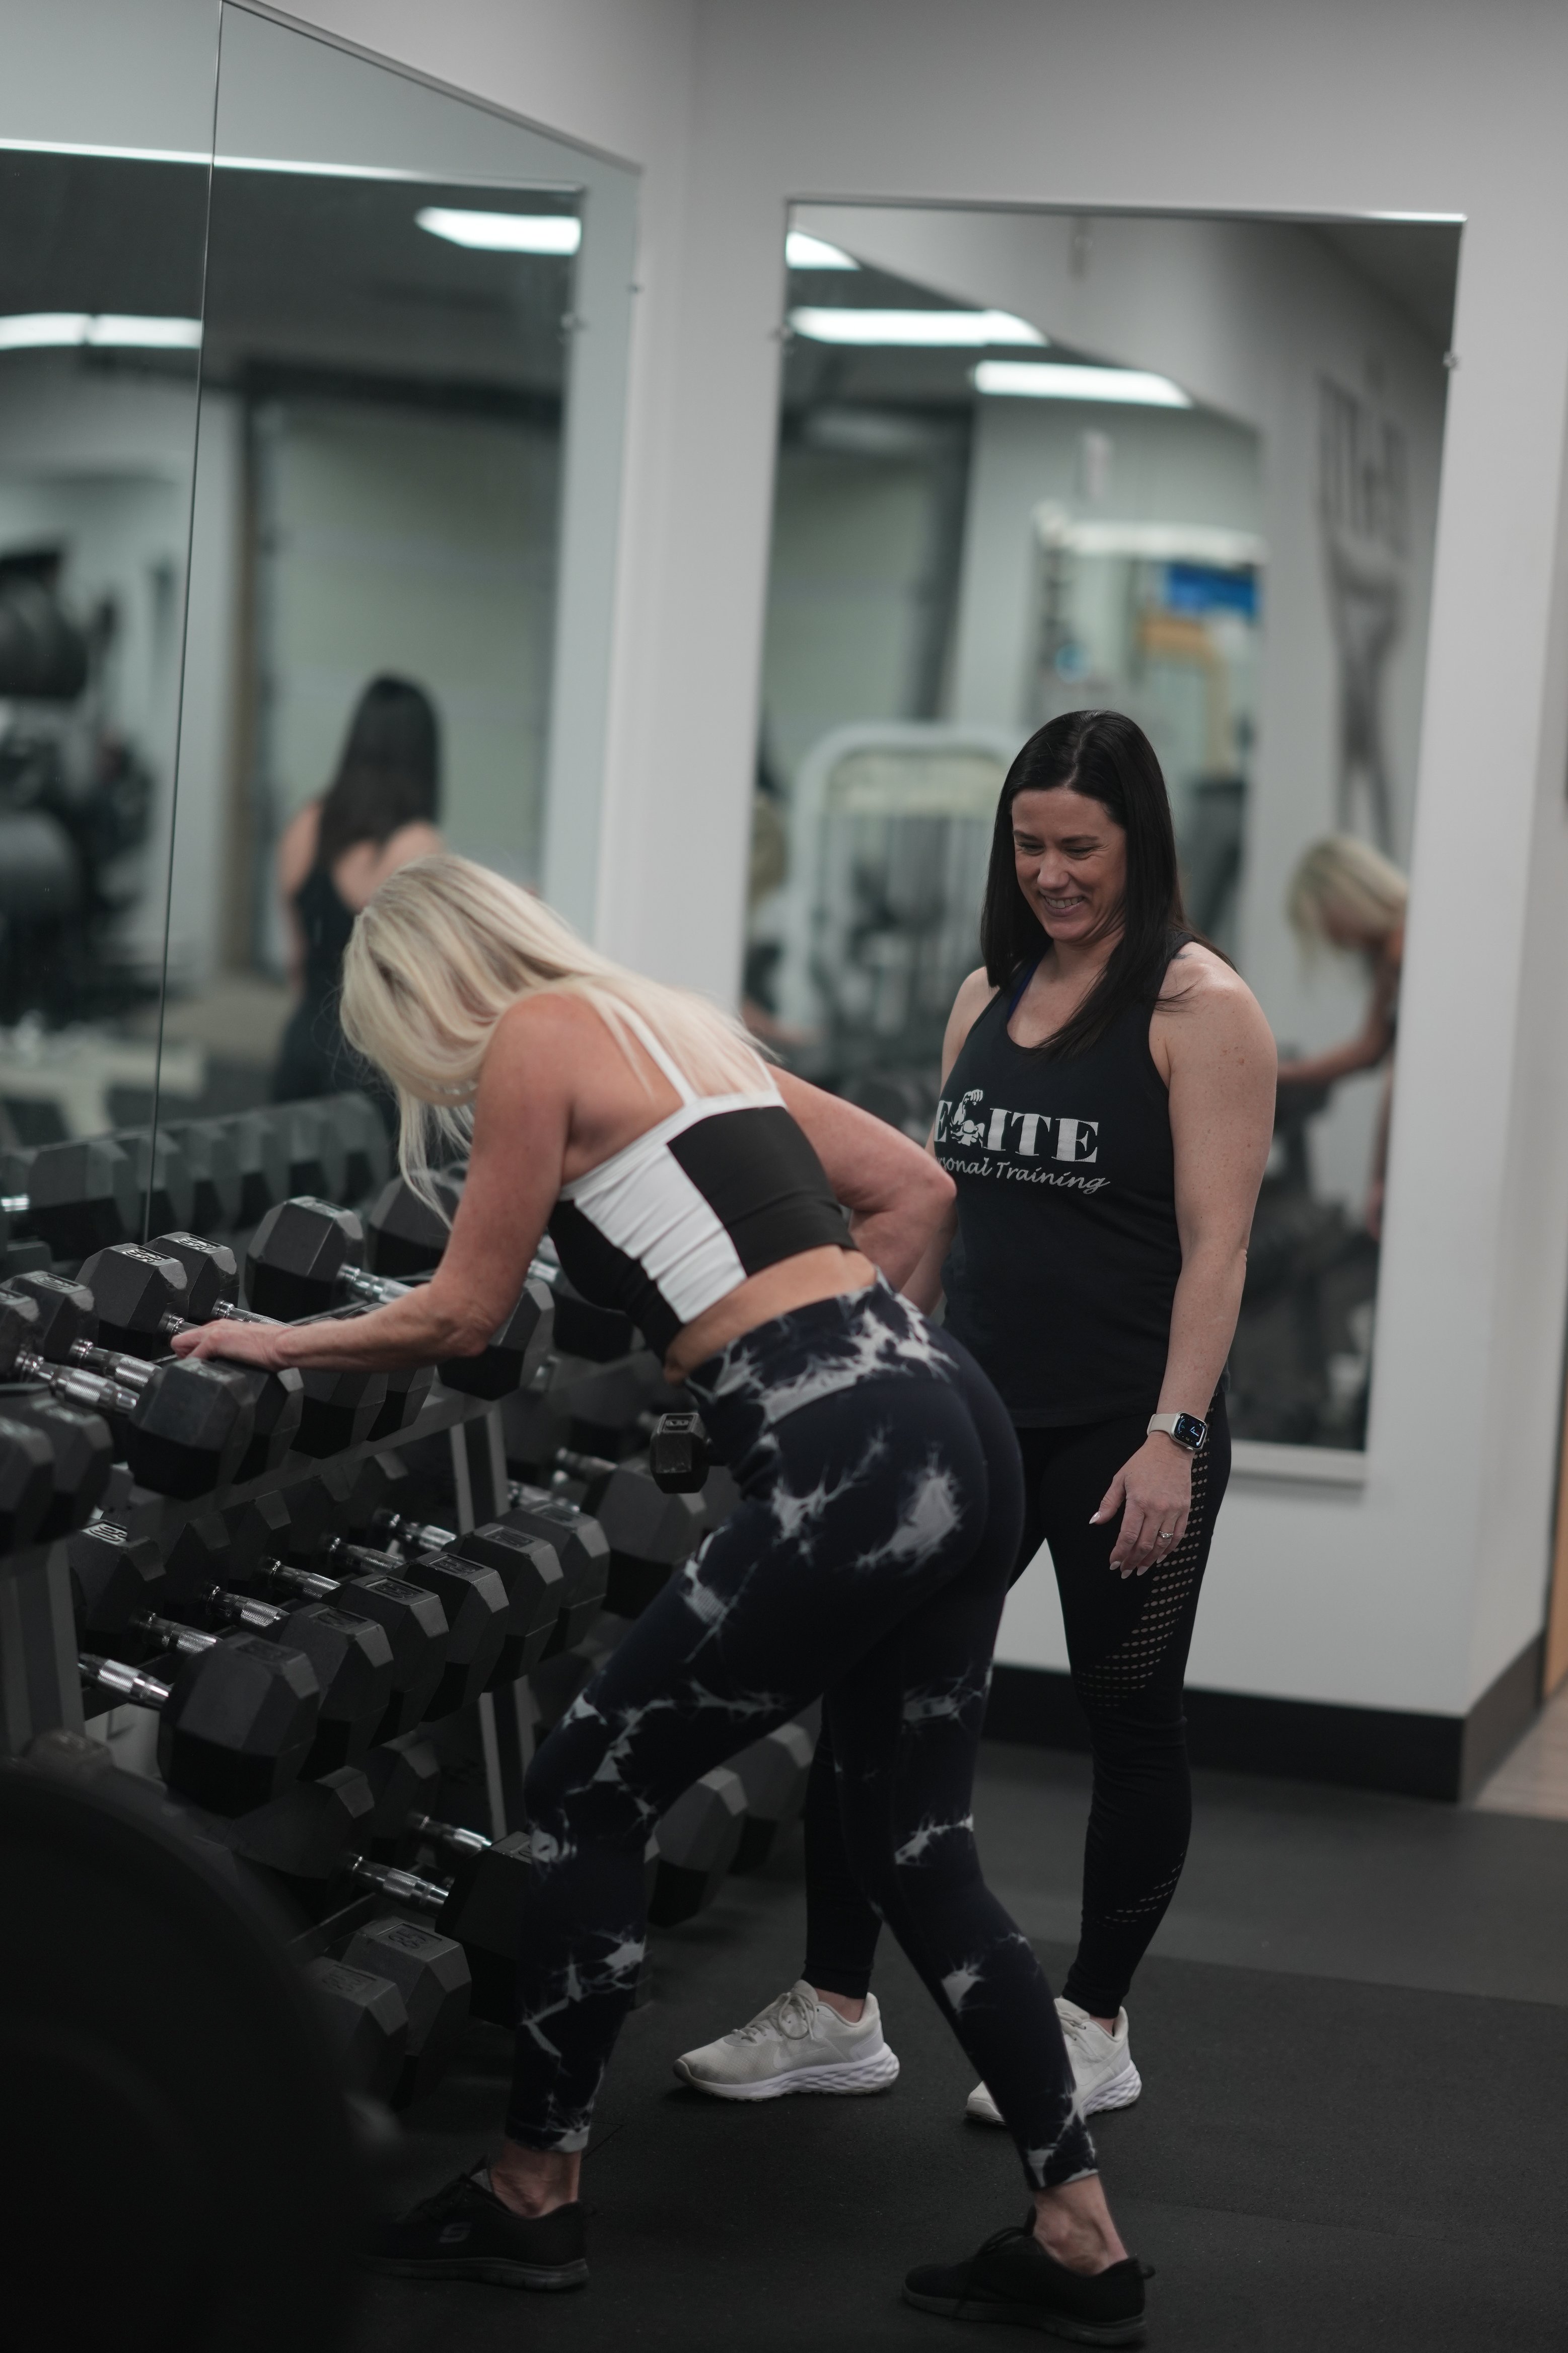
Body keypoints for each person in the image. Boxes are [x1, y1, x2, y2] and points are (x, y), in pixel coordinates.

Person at [175, 853, 1151, 2338]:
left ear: (426, 990)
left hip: (867, 1454)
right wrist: (834, 1381)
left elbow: (465, 1308)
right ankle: (1079, 2232)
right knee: (919, 1845)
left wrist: (275, 1342)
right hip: (957, 1414)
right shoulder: (674, 1020)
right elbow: (917, 1188)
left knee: (582, 1792)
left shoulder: (530, 1042)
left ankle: (529, 2194)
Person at [678, 707, 1274, 2135]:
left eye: (1082, 846)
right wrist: (878, 1378)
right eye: (1030, 845)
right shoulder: (983, 998)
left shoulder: (1202, 1012)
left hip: (1119, 1435)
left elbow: (1219, 1249)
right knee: (870, 1691)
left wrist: (1173, 1442)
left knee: (1128, 1719)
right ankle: (834, 2007)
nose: (1054, 872)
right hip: (972, 1421)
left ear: (1140, 844)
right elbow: (943, 1220)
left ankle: (1096, 2023)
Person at [271, 675, 443, 1104]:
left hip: (301, 1055)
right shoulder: (419, 847)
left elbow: (296, 960)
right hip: (376, 1071)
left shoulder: (305, 825)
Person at [1275, 834, 1407, 1239]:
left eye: (1324, 923)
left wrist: (1381, 1178)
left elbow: (1396, 1074)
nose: (1330, 939)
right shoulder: (1389, 954)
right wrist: (1280, 1072)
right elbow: (1367, 1049)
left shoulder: (1403, 945)